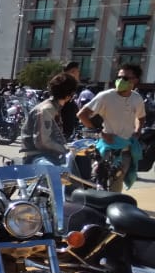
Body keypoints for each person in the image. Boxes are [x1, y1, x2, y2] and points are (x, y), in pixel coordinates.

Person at [78, 63, 146, 191]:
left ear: (135, 80)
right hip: (106, 151)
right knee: (100, 186)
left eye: (125, 78)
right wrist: (101, 134)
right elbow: (82, 115)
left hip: (126, 151)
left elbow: (141, 117)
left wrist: (138, 131)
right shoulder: (106, 96)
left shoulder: (137, 99)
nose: (120, 81)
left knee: (116, 188)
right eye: (118, 77)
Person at [20, 73, 76, 167]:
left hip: (51, 154)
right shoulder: (46, 110)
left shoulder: (54, 108)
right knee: (50, 169)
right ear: (69, 95)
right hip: (38, 156)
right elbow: (42, 142)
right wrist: (65, 149)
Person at [60, 61, 81, 137]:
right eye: (77, 71)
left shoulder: (69, 84)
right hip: (64, 122)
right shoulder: (65, 84)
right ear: (72, 72)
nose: (79, 73)